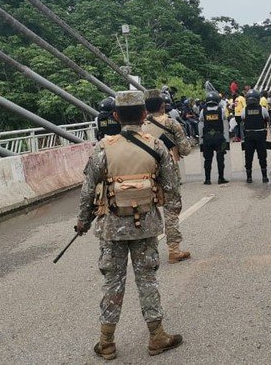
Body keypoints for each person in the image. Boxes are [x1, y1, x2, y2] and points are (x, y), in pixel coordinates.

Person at [75, 90, 183, 360]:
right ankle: (157, 336)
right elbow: (171, 187)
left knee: (113, 282)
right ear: (144, 114)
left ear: (115, 116)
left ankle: (107, 342)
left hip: (112, 227)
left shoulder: (102, 148)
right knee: (147, 280)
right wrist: (172, 211)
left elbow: (88, 190)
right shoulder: (156, 147)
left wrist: (82, 221)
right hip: (146, 225)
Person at [142, 90, 193, 263]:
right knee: (171, 212)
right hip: (168, 172)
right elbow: (185, 149)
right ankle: (173, 251)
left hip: (145, 173)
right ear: (163, 106)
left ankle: (148, 252)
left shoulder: (139, 125)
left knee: (146, 212)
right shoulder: (170, 123)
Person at [199, 90, 229, 185]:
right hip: (220, 138)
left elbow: (200, 125)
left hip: (207, 138)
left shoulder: (203, 111)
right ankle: (221, 178)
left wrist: (201, 141)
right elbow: (225, 125)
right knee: (221, 158)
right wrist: (226, 141)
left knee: (207, 159)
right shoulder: (222, 110)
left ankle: (207, 179)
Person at [241, 89, 270, 184]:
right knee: (262, 156)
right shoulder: (263, 109)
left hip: (248, 135)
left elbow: (243, 119)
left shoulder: (244, 110)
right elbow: (267, 119)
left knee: (248, 156)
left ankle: (249, 177)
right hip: (260, 135)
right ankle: (264, 176)